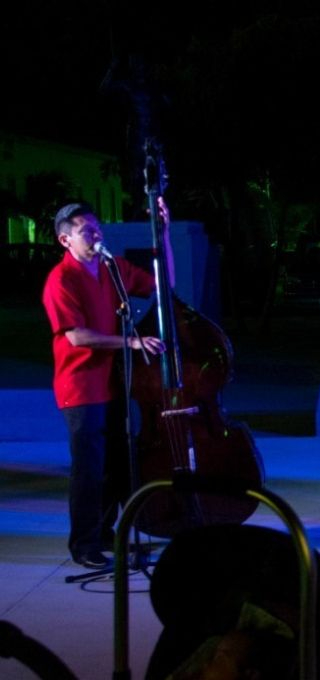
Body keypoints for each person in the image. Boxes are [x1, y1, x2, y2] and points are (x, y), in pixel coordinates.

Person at [42, 200, 174, 569]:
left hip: (115, 384)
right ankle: (83, 545)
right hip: (81, 388)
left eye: (97, 226)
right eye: (86, 229)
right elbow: (77, 337)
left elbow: (164, 286)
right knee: (89, 470)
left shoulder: (111, 268)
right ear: (65, 240)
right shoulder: (61, 279)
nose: (96, 232)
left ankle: (104, 535)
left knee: (118, 466)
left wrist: (162, 234)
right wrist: (130, 342)